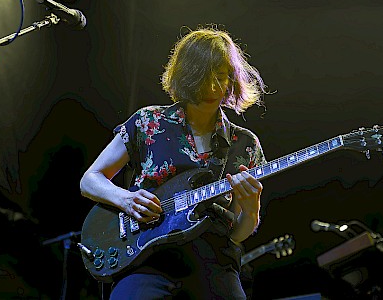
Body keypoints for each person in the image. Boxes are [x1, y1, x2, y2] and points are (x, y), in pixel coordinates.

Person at [80, 25, 268, 299]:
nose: (214, 87)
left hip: (213, 262)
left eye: (222, 76)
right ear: (187, 76)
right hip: (147, 262)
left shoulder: (245, 144)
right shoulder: (148, 123)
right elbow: (90, 179)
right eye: (204, 77)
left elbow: (236, 235)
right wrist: (125, 199)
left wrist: (251, 211)